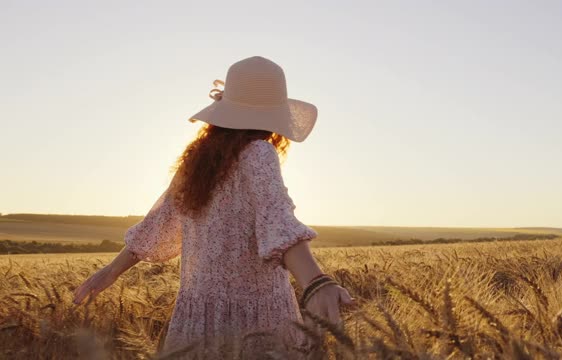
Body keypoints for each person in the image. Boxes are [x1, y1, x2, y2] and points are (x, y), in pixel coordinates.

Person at [73, 56, 356, 358]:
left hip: (196, 321)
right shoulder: (259, 153)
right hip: (256, 318)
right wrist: (315, 282)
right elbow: (279, 223)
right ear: (275, 117)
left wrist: (111, 272)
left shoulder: (196, 163)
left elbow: (156, 227)